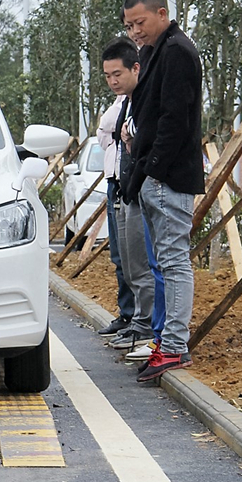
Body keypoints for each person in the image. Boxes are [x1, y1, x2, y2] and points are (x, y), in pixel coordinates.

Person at [122, 0, 203, 381]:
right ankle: (168, 341)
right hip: (153, 175)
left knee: (173, 263)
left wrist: (153, 170)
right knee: (165, 262)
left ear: (162, 12)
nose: (135, 31)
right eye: (129, 26)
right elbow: (151, 115)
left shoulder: (177, 52)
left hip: (169, 177)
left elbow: (175, 121)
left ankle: (174, 346)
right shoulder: (155, 51)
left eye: (140, 23)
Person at [99, 37, 159, 357]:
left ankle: (147, 324)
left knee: (144, 262)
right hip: (125, 186)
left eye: (117, 74)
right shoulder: (126, 103)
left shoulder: (144, 99)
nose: (112, 81)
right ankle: (137, 319)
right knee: (127, 260)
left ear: (136, 67)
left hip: (141, 188)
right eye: (107, 76)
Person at [94, 93, 135, 338]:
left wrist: (118, 129)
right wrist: (116, 131)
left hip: (130, 180)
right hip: (114, 181)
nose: (113, 81)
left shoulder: (135, 97)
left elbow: (112, 123)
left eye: (117, 73)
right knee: (119, 255)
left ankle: (140, 317)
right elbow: (103, 130)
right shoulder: (120, 100)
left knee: (135, 257)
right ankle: (127, 313)